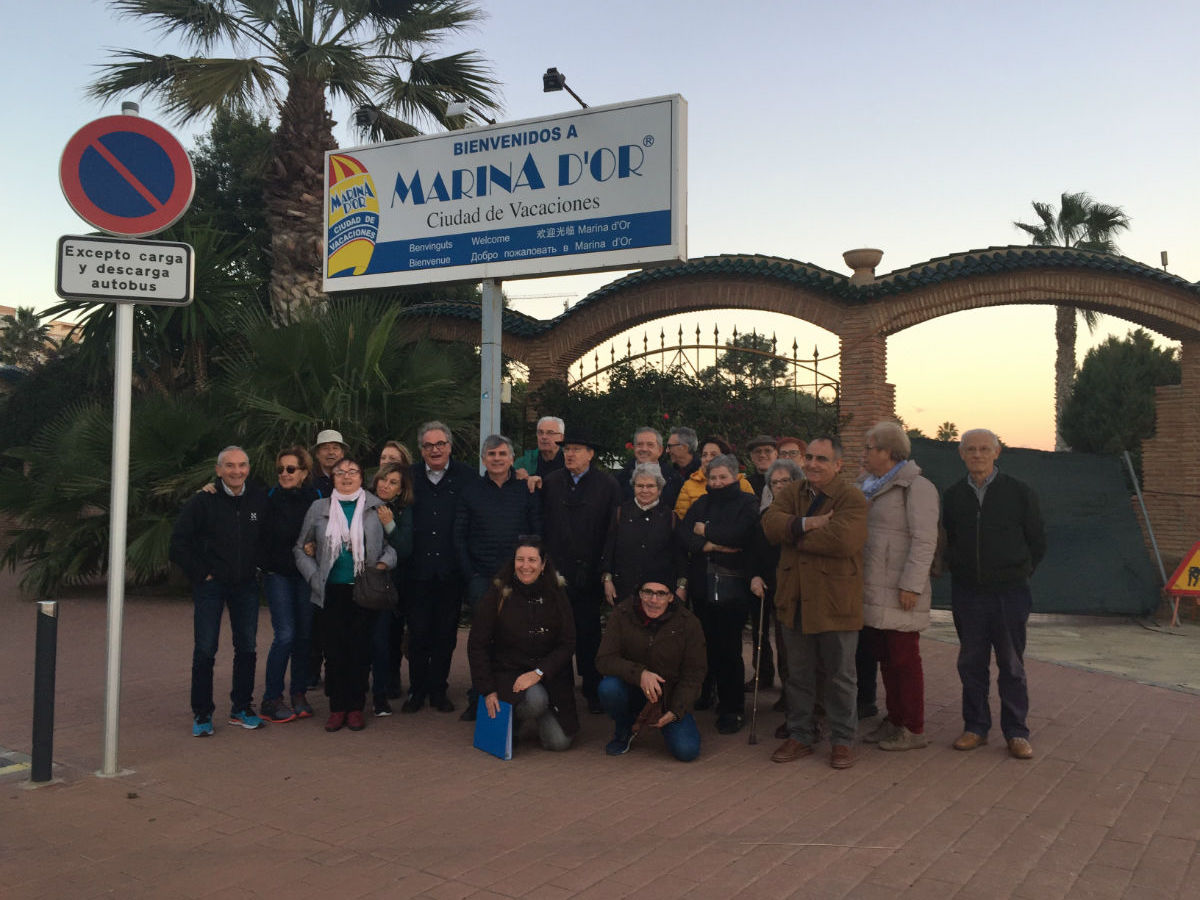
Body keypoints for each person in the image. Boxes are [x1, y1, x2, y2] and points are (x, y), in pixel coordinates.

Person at [763, 435, 868, 769]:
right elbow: (769, 525)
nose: (812, 464)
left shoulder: (851, 498)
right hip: (794, 599)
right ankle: (800, 735)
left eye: (822, 459)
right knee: (798, 674)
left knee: (840, 675)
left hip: (835, 601)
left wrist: (794, 535)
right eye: (809, 457)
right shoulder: (792, 492)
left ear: (838, 464)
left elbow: (843, 541)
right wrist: (809, 523)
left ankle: (842, 740)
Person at [941, 428, 1045, 760]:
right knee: (971, 663)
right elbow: (951, 539)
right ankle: (975, 727)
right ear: (961, 454)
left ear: (997, 453)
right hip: (968, 593)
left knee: (1012, 665)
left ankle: (1016, 732)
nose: (977, 455)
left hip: (1010, 593)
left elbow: (1037, 541)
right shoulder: (954, 495)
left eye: (985, 449)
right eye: (970, 449)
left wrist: (1018, 572)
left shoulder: (1019, 492)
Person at [169, 446, 271, 736]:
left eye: (241, 465)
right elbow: (178, 544)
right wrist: (203, 573)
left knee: (247, 648)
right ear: (218, 470)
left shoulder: (259, 499)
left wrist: (259, 566)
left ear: (248, 469)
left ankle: (241, 708)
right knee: (205, 650)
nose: (236, 471)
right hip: (211, 587)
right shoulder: (202, 502)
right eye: (229, 466)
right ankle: (202, 713)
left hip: (246, 586)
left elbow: (267, 535)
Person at [294, 458, 397, 732]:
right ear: (333, 478)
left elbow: (390, 546)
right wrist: (314, 576)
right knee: (335, 651)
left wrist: (385, 562)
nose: (347, 476)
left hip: (364, 589)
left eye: (353, 471)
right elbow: (300, 547)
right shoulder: (319, 508)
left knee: (360, 651)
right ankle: (337, 708)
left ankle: (355, 707)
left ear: (362, 477)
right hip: (331, 590)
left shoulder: (376, 508)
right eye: (341, 472)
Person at [855, 422, 940, 752]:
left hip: (900, 591)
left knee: (905, 660)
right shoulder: (867, 485)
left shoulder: (916, 488)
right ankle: (895, 719)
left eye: (868, 448)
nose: (864, 454)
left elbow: (924, 540)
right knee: (886, 659)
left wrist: (912, 585)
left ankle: (914, 728)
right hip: (873, 588)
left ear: (887, 452)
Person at [454, 434, 543, 720]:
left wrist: (528, 571)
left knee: (512, 639)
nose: (497, 459)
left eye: (502, 454)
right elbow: (459, 536)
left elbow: (536, 533)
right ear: (483, 459)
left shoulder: (525, 491)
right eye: (491, 454)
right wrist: (470, 575)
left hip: (519, 579)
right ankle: (477, 697)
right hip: (482, 578)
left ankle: (508, 695)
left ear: (511, 458)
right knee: (481, 640)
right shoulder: (470, 491)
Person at [467, 538, 578, 751]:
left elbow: (568, 642)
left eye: (532, 560)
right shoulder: (498, 592)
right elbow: (477, 645)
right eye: (520, 559)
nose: (525, 566)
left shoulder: (556, 592)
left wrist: (539, 672)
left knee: (559, 743)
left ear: (543, 564)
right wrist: (488, 689)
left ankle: (539, 711)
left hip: (549, 676)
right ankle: (513, 722)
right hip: (508, 674)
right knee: (536, 700)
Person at [541, 429, 621, 713]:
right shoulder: (551, 483)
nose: (570, 454)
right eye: (567, 449)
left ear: (591, 454)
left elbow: (612, 531)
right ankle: (558, 689)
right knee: (556, 633)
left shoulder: (607, 485)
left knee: (588, 635)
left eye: (576, 449)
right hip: (556, 574)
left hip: (589, 574)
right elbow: (542, 526)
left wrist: (603, 569)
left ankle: (592, 690)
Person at [680, 453, 761, 734]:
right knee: (706, 645)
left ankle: (733, 708)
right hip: (703, 586)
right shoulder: (702, 502)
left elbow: (741, 535)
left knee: (729, 649)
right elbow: (685, 534)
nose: (717, 482)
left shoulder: (748, 503)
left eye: (723, 477)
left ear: (735, 476)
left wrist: (708, 530)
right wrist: (712, 546)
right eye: (713, 478)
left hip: (733, 588)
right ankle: (708, 693)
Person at [596, 566, 707, 761]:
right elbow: (604, 660)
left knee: (687, 751)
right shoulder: (622, 613)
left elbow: (694, 674)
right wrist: (640, 674)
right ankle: (624, 727)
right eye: (647, 592)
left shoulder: (689, 623)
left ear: (671, 597)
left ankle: (669, 720)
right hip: (631, 688)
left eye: (661, 594)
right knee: (608, 688)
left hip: (669, 697)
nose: (653, 600)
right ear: (639, 593)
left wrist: (676, 710)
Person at [405, 421, 473, 714]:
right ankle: (417, 691)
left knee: (445, 635)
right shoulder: (407, 477)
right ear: (421, 450)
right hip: (416, 571)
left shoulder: (468, 477)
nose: (435, 450)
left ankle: (438, 690)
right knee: (418, 634)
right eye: (429, 445)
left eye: (440, 444)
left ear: (449, 446)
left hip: (451, 571)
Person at [259, 447, 322, 724]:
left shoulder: (317, 498)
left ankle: (298, 694)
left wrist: (316, 547)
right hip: (278, 574)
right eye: (281, 469)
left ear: (304, 472)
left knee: (304, 636)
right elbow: (253, 526)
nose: (284, 474)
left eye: (291, 469)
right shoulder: (268, 499)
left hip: (307, 575)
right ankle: (271, 698)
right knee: (285, 634)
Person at [748, 458, 802, 709]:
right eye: (775, 482)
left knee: (792, 647)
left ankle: (796, 698)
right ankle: (787, 695)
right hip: (771, 584)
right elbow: (758, 550)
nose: (779, 485)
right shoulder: (767, 513)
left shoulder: (806, 511)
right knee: (780, 642)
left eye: (785, 481)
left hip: (798, 586)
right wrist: (755, 574)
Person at [602, 463, 683, 607]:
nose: (645, 490)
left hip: (658, 595)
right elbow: (609, 550)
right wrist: (607, 580)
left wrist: (681, 586)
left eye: (650, 486)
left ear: (659, 489)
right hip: (624, 591)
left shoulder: (670, 517)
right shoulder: (620, 513)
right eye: (640, 486)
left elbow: (679, 557)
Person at [369, 461, 414, 716]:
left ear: (400, 489)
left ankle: (381, 693)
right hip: (360, 580)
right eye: (383, 480)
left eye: (393, 482)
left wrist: (390, 525)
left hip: (388, 586)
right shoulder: (364, 503)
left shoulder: (403, 511)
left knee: (383, 640)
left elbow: (405, 548)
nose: (386, 486)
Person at [673, 436, 754, 520]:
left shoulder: (741, 483)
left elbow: (750, 518)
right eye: (704, 455)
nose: (708, 458)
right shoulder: (689, 485)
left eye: (713, 455)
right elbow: (682, 520)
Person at [614, 427, 684, 509]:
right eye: (639, 444)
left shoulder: (676, 479)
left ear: (660, 450)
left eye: (650, 445)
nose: (644, 449)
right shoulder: (618, 480)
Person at [515, 416, 565, 480]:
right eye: (540, 432)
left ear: (561, 437)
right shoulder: (523, 463)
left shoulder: (570, 461)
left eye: (550, 433)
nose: (544, 437)